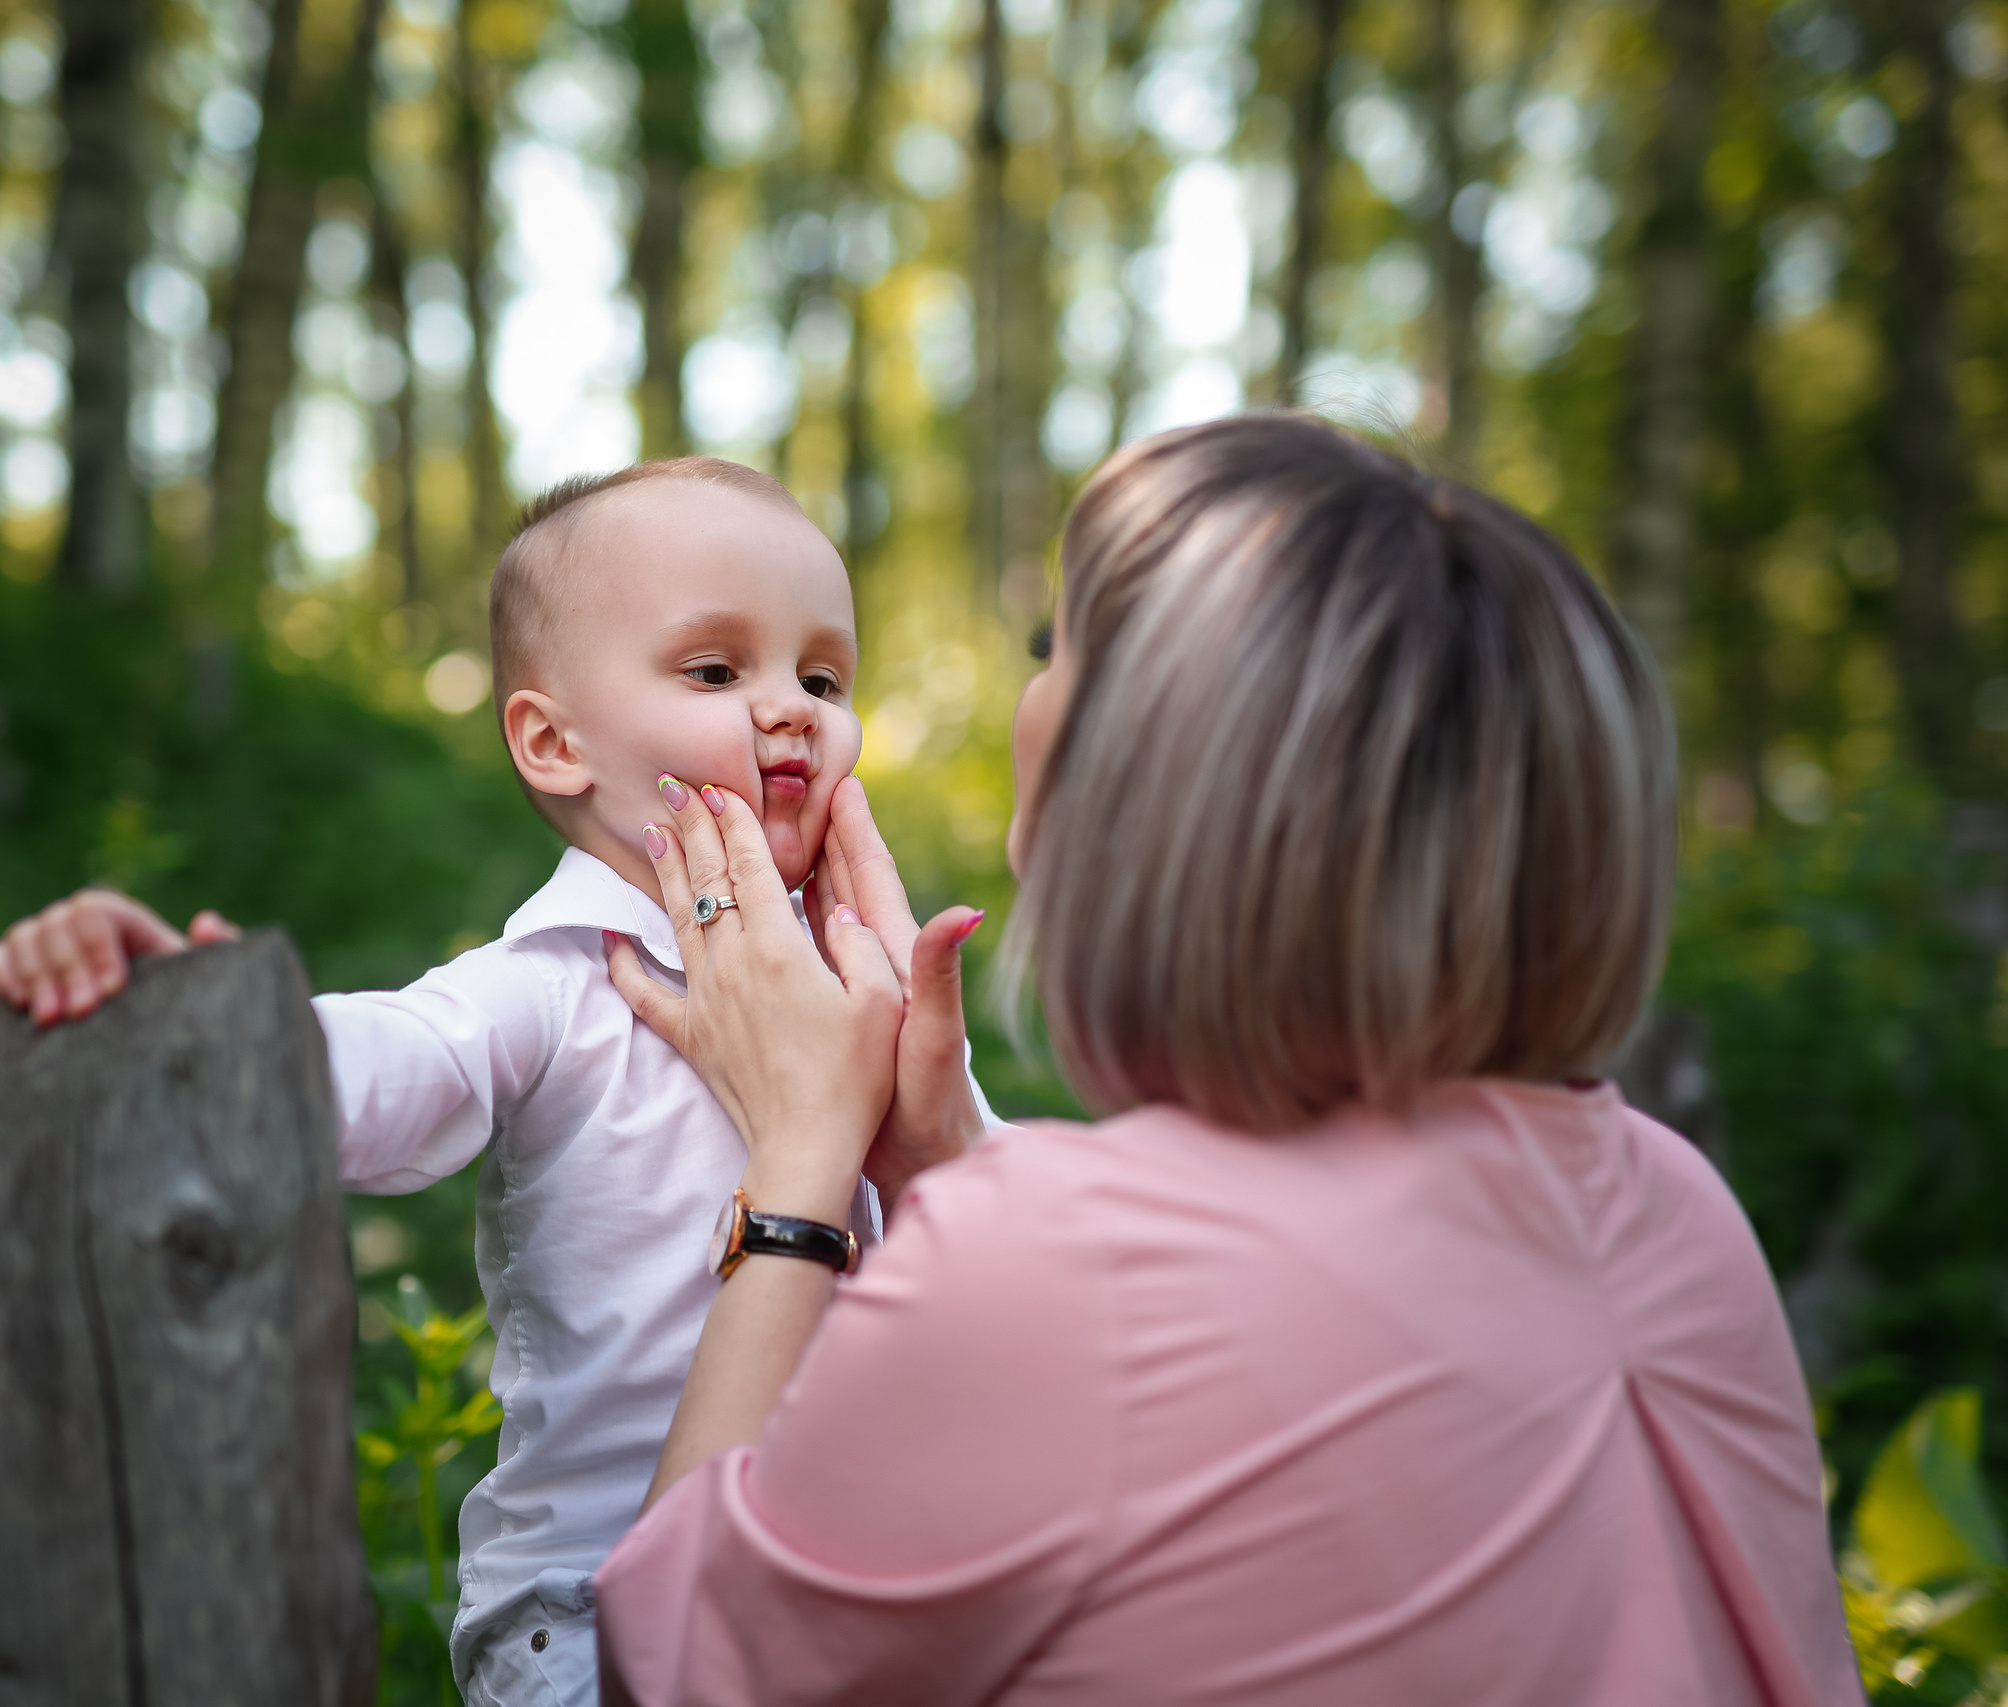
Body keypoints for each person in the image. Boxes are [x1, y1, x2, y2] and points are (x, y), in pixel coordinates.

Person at [592, 416, 1865, 1706]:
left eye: (1054, 651)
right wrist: (936, 1162)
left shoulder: (1067, 1265)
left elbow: (672, 1669)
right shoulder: (1674, 1205)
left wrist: (802, 1161)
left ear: (1149, 767)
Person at [0, 457, 994, 1707]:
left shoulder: (868, 977)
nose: (791, 710)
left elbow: (1005, 1234)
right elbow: (399, 1065)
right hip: (595, 1610)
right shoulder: (561, 979)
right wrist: (199, 1028)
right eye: (716, 671)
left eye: (823, 677)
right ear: (554, 741)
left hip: (855, 1594)